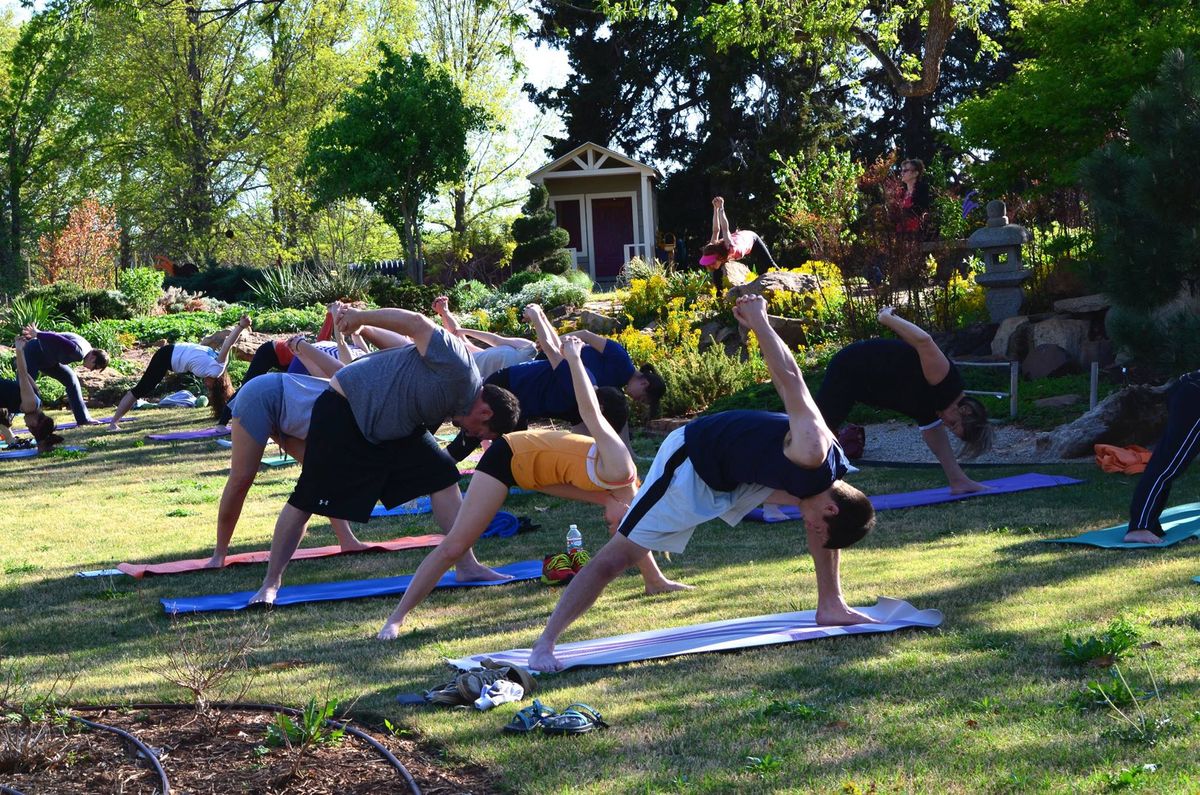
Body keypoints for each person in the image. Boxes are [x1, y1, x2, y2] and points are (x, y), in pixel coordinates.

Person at [526, 294, 877, 673]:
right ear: (830, 507)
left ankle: (831, 604)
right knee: (619, 555)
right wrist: (759, 322)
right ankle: (544, 644)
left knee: (819, 522)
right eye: (816, 523)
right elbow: (790, 380)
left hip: (744, 472)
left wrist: (823, 531)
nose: (807, 526)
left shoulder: (832, 482)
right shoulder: (813, 449)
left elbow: (827, 520)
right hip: (694, 461)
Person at [376, 334, 690, 640]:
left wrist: (604, 505)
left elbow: (558, 488)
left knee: (629, 531)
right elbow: (590, 410)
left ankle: (655, 581)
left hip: (530, 470)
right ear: (625, 508)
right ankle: (395, 619)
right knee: (455, 546)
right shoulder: (619, 463)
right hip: (507, 456)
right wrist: (574, 358)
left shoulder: (618, 495)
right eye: (615, 525)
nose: (611, 533)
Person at [246, 305, 521, 606]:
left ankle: (467, 566)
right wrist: (362, 320)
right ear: (485, 411)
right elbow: (417, 324)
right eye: (481, 433)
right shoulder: (460, 368)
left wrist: (370, 333)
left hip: (393, 429)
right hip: (344, 411)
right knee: (307, 497)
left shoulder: (458, 398)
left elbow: (404, 350)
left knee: (442, 476)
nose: (473, 437)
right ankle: (270, 584)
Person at [206, 335, 375, 568]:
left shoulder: (359, 405)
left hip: (285, 409)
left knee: (322, 474)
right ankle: (218, 555)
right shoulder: (353, 407)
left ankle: (347, 540)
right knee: (242, 477)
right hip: (260, 397)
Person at [446, 304, 663, 460]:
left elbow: (585, 443)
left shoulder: (581, 405)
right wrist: (536, 315)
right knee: (490, 438)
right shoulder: (578, 378)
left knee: (517, 449)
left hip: (529, 401)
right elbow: (550, 347)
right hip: (507, 386)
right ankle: (440, 467)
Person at [817, 307, 993, 492]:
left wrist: (957, 479)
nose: (947, 424)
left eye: (951, 428)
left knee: (817, 431)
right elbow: (924, 341)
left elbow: (939, 443)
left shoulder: (936, 408)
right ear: (965, 409)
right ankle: (788, 492)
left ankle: (959, 481)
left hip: (864, 385)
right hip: (851, 366)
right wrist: (888, 318)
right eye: (954, 423)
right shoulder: (944, 379)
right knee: (815, 430)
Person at [108, 315, 252, 430]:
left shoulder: (214, 363)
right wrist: (241, 326)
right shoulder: (217, 369)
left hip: (169, 353)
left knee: (143, 388)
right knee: (141, 389)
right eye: (210, 386)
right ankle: (114, 423)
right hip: (167, 357)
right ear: (217, 384)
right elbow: (228, 343)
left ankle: (114, 421)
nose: (206, 386)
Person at [1125, 370, 1200, 544]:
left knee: (1169, 461)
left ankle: (1147, 523)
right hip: (1195, 395)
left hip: (1188, 387)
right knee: (1169, 464)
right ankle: (1139, 527)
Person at [19, 326, 109, 426]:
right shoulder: (79, 352)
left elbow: (58, 337)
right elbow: (58, 338)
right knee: (24, 387)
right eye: (94, 367)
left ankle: (84, 419)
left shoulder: (86, 348)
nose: (91, 370)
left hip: (49, 360)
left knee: (72, 380)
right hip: (33, 353)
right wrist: (38, 334)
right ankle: (5, 417)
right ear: (93, 357)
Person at [432, 295, 538, 379]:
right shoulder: (530, 348)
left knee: (458, 341)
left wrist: (463, 331)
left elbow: (495, 340)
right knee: (462, 340)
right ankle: (443, 312)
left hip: (473, 367)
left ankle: (443, 312)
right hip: (482, 355)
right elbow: (495, 339)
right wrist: (464, 331)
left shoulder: (527, 369)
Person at [0, 334, 65, 454]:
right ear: (35, 422)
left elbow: (24, 376)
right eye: (30, 427)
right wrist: (19, 350)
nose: (26, 425)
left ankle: (9, 437)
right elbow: (23, 375)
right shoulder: (30, 404)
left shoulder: (37, 404)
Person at [698, 196, 778, 291]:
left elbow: (724, 228)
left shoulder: (728, 246)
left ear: (718, 256)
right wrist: (715, 208)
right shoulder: (712, 247)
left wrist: (721, 208)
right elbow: (715, 230)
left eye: (712, 262)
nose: (710, 265)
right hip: (738, 240)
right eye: (709, 263)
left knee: (769, 265)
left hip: (751, 239)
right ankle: (719, 297)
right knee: (717, 273)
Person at [897, 158, 932, 238]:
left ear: (915, 173)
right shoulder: (901, 193)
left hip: (917, 234)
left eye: (905, 171)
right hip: (901, 234)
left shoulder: (923, 190)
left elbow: (922, 209)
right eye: (902, 170)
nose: (902, 173)